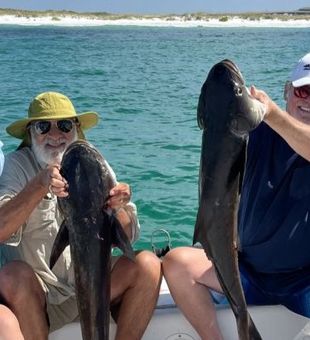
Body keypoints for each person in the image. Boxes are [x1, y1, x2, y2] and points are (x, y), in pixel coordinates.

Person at [163, 52, 310, 340]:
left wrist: (272, 114)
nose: (308, 100)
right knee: (177, 263)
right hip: (249, 274)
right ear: (287, 92)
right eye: (303, 90)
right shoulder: (253, 133)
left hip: (304, 283)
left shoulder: (275, 121)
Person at [0, 91, 162, 340]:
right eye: (44, 126)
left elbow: (126, 235)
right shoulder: (17, 165)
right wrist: (39, 184)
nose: (55, 135)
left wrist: (120, 206)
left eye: (64, 125)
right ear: (30, 132)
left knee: (148, 265)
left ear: (76, 129)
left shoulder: (93, 161)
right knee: (13, 276)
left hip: (95, 288)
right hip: (43, 298)